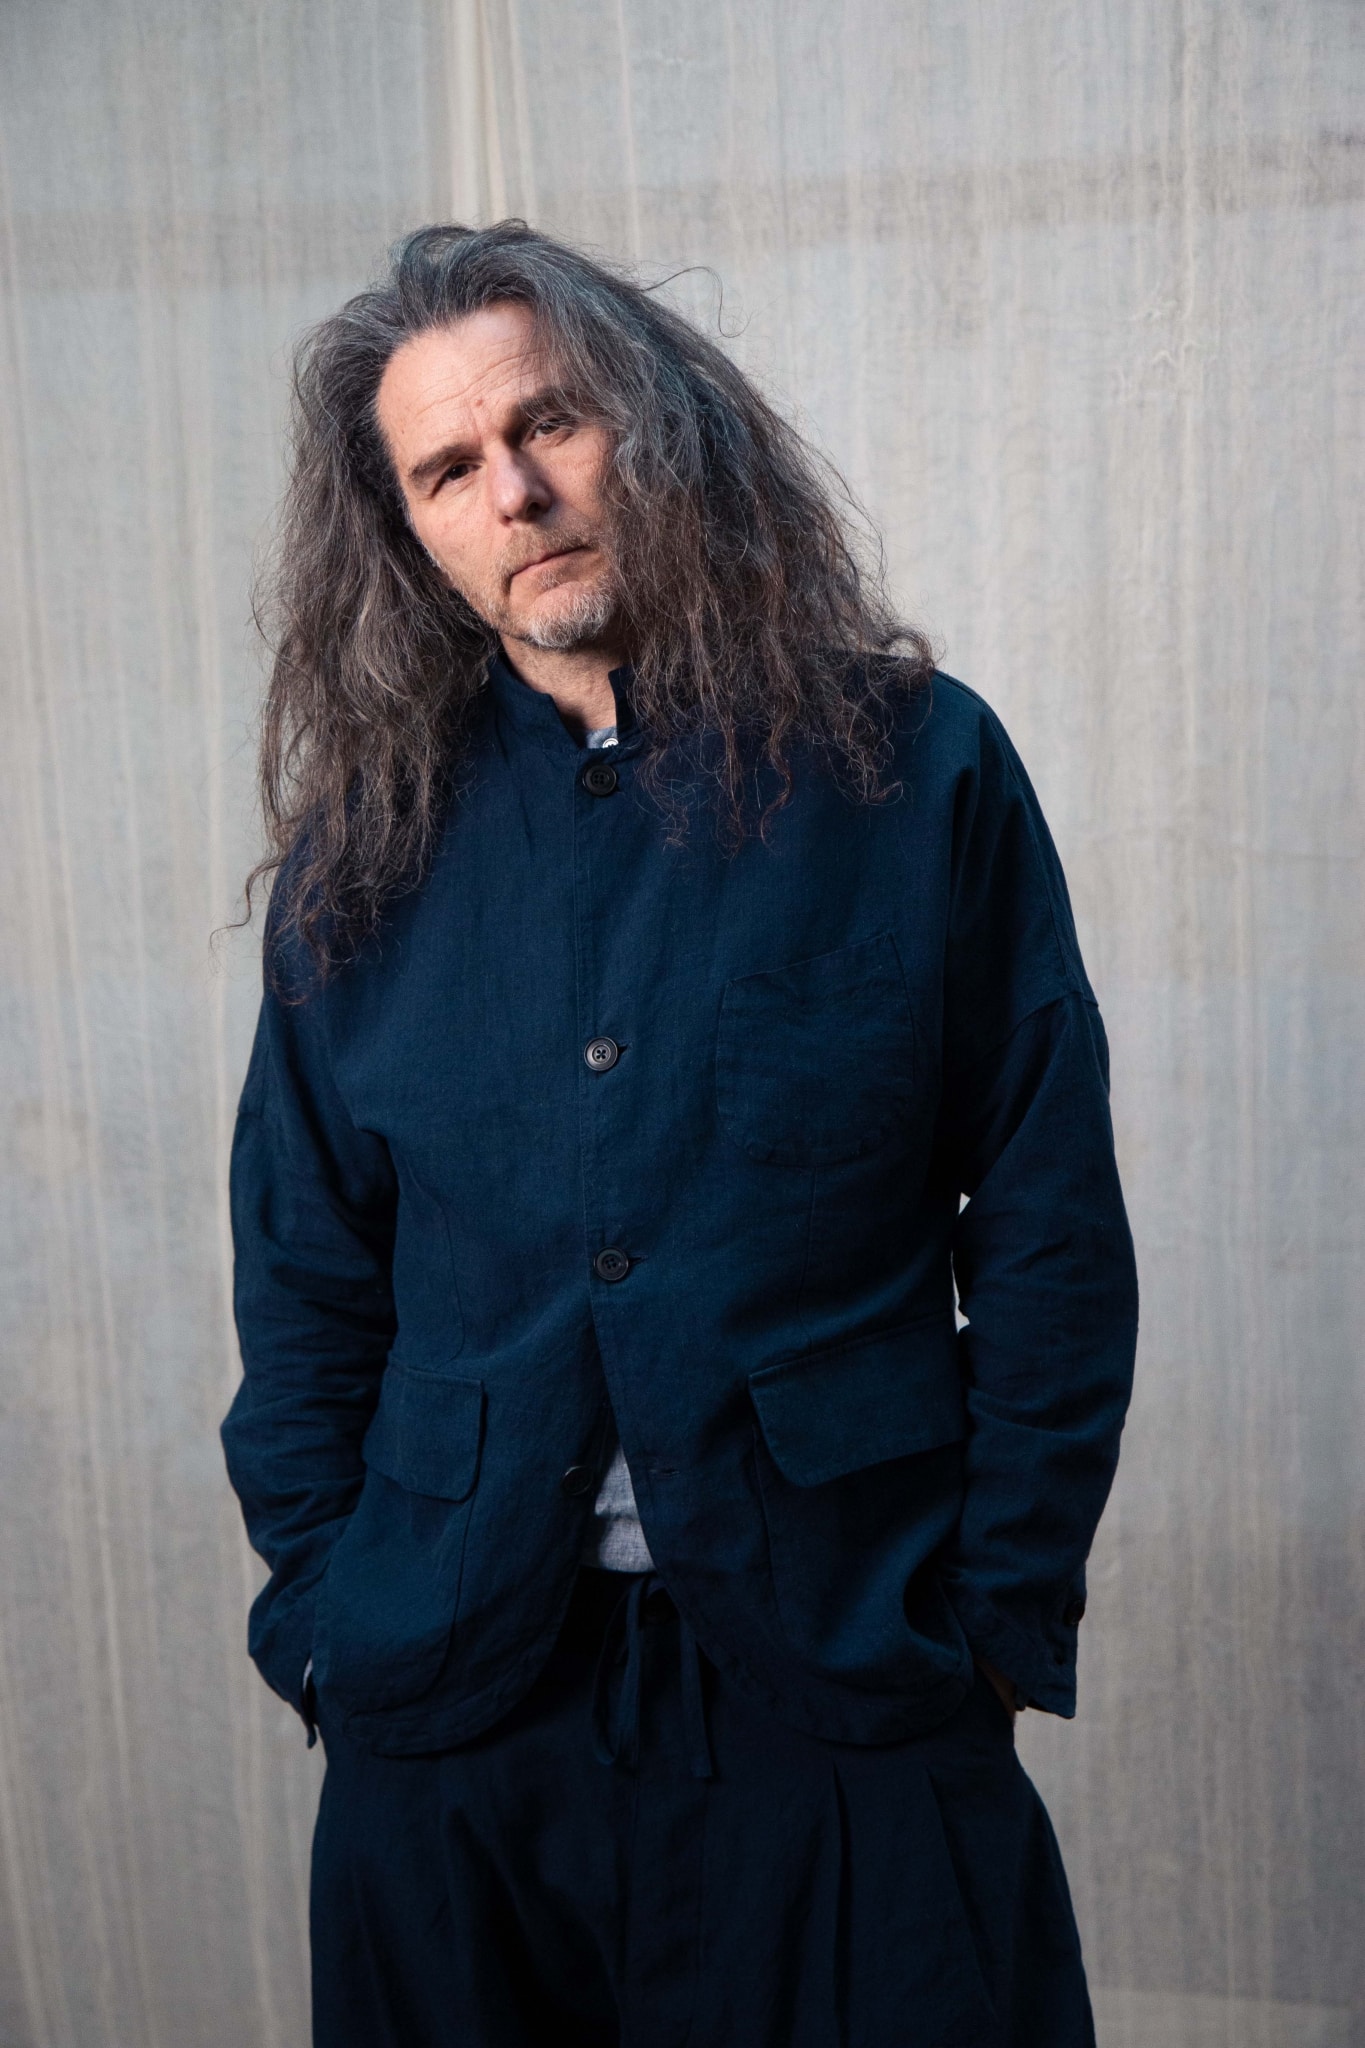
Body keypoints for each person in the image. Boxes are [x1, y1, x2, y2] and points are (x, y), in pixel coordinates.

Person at [222, 220, 1138, 2048]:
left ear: (655, 429)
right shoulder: (361, 857)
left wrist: (997, 1616)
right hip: (453, 1700)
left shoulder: (914, 767)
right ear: (409, 533)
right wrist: (322, 1620)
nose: (516, 492)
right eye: (449, 469)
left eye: (549, 424)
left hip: (850, 1666)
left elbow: (1046, 1218)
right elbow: (305, 1278)